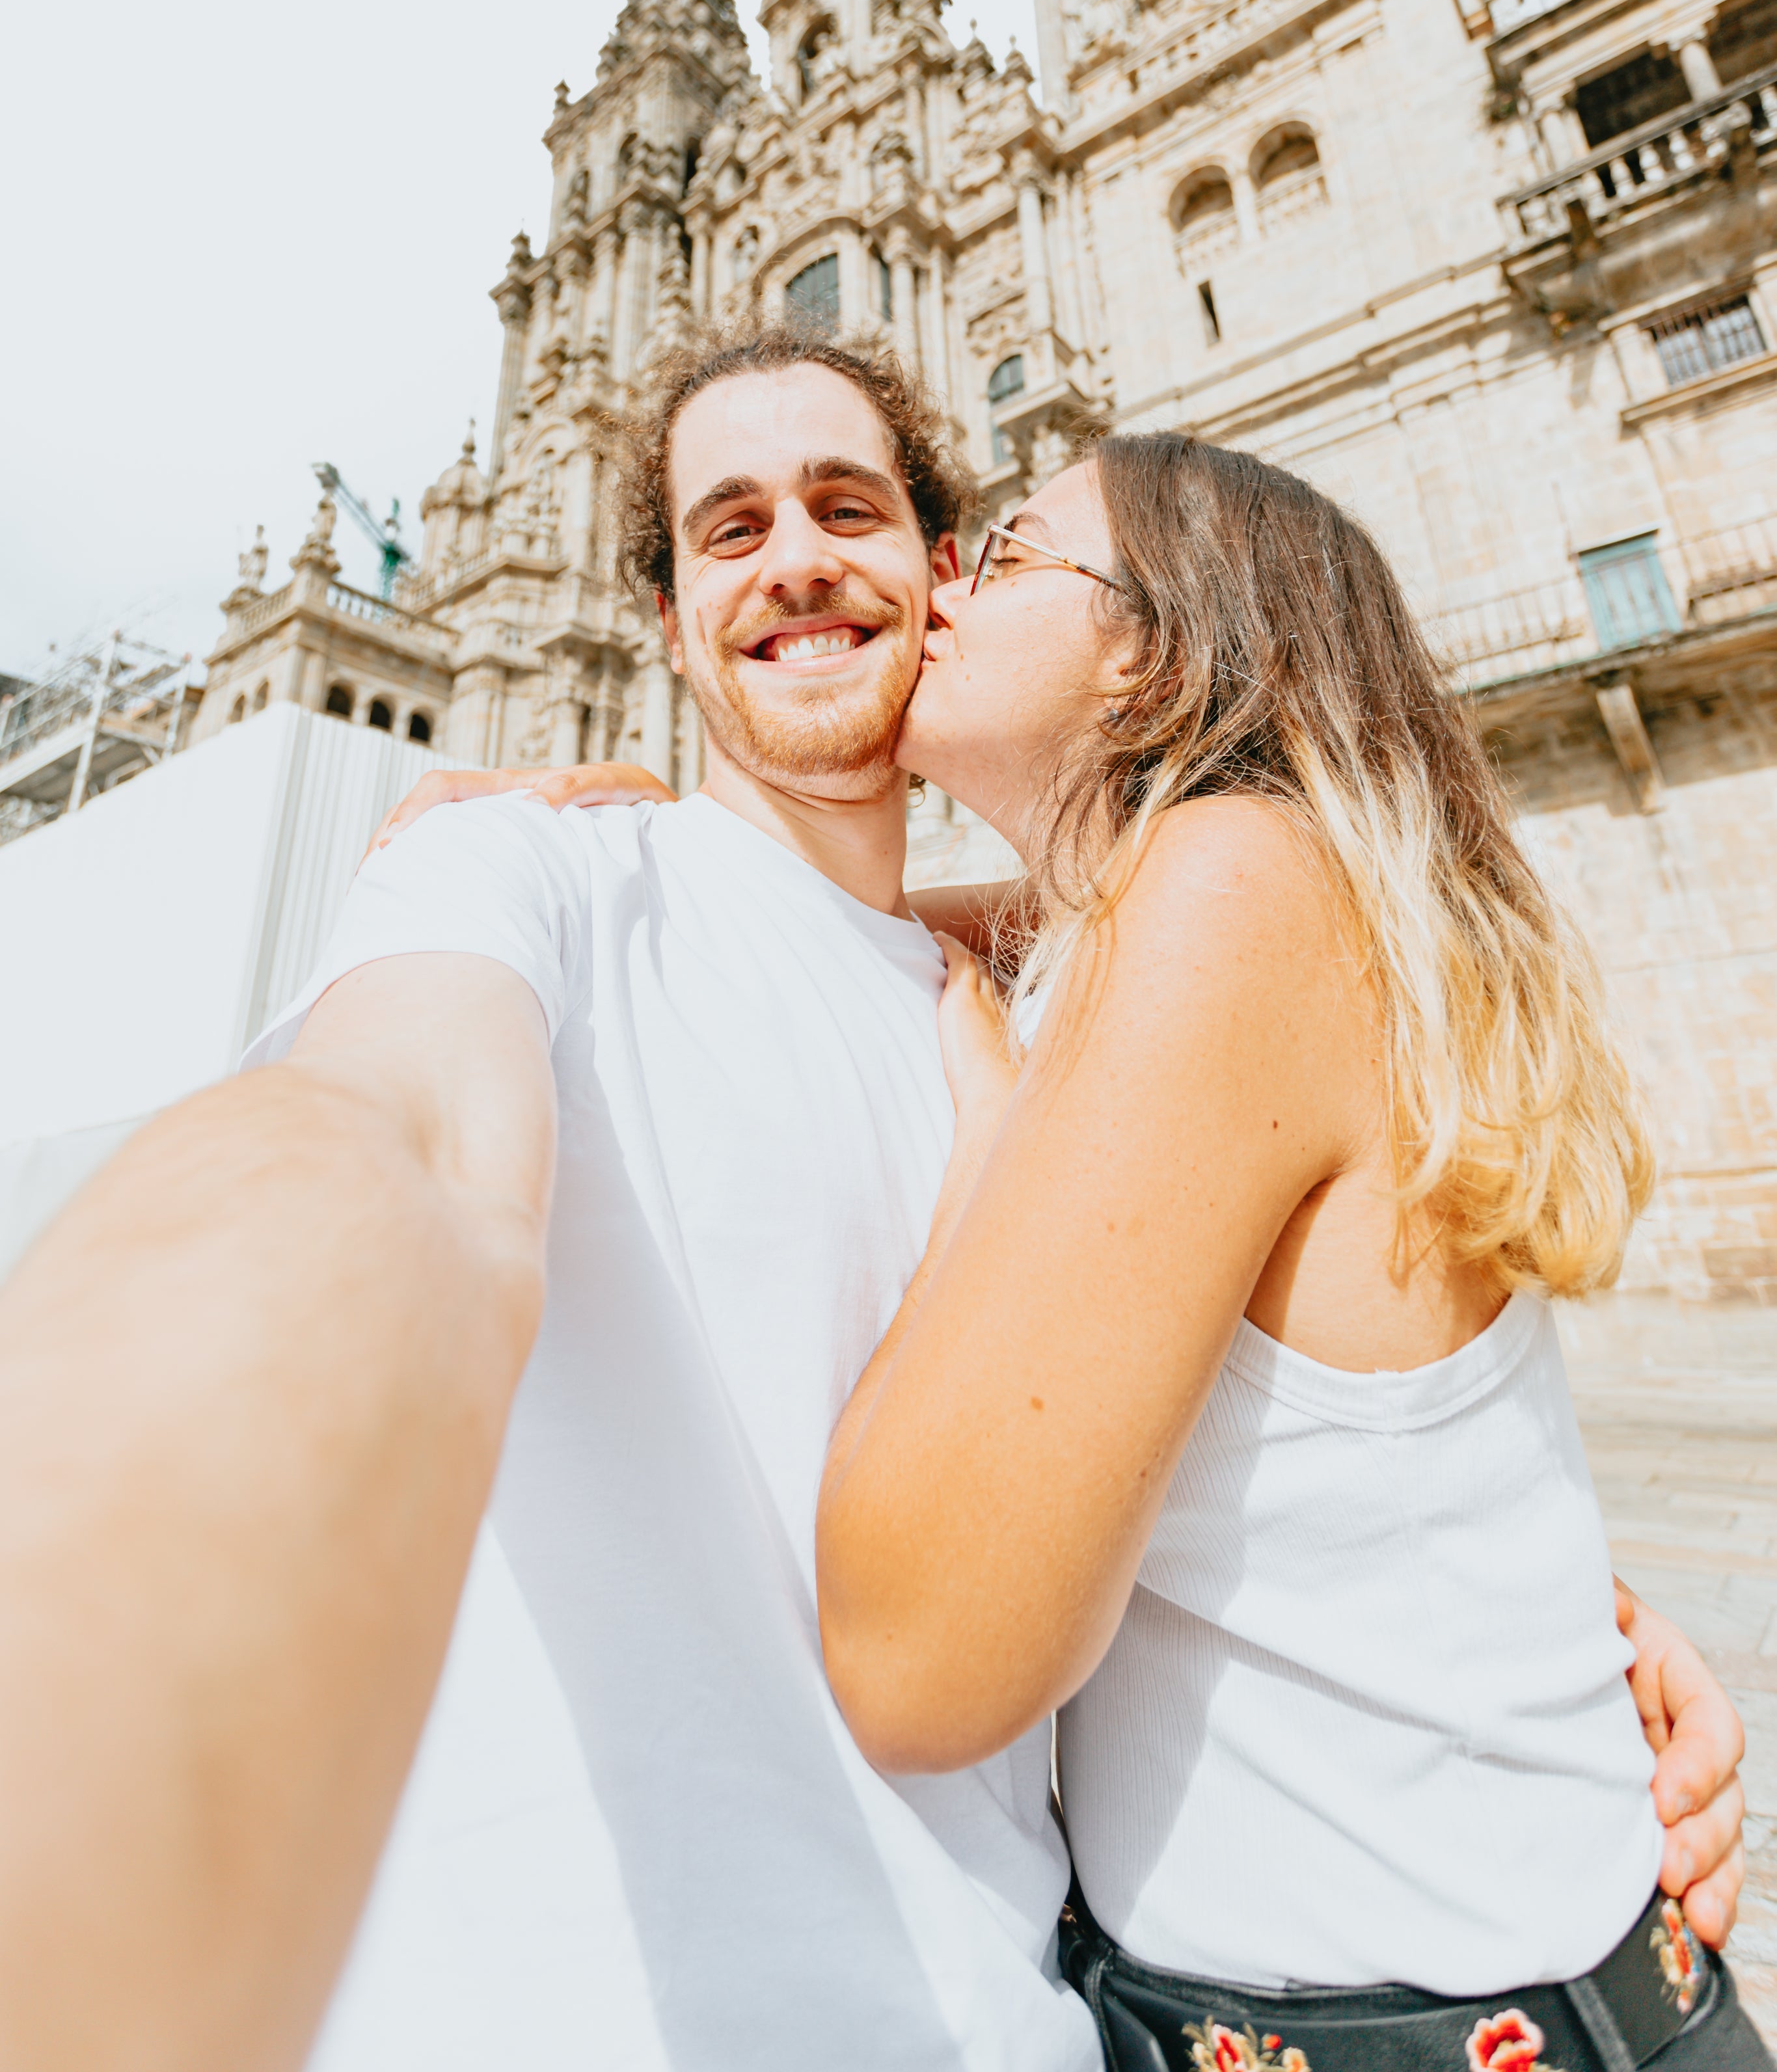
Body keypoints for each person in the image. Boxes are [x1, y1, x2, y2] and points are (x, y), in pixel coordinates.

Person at [0, 330, 1743, 2072]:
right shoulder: (588, 888)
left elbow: (977, 1632)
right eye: (728, 528)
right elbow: (400, 1136)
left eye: (876, 518)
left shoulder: (1141, 945)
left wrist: (1557, 1631)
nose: (800, 561)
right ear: (667, 621)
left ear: (961, 585)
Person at [806, 432, 1770, 2067]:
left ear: (1155, 651)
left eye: (1013, 552)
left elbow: (918, 1667)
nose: (944, 583)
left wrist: (983, 1152)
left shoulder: (1229, 882)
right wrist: (613, 839)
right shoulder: (1183, 914)